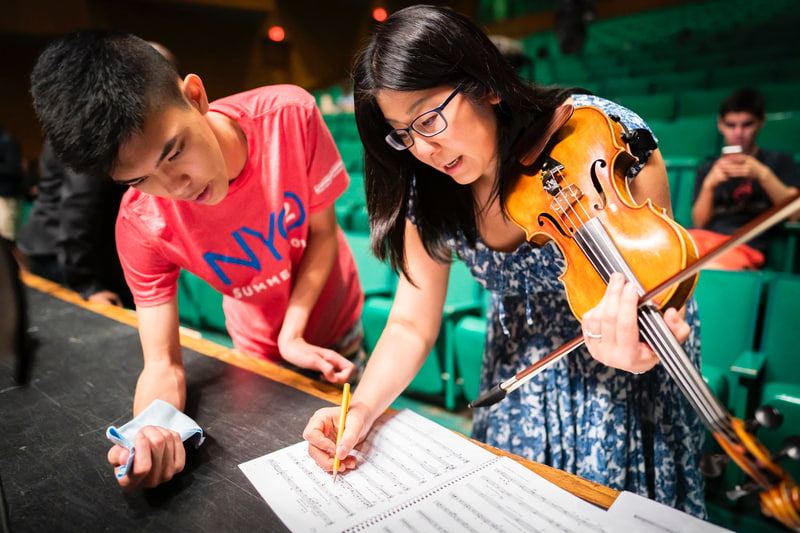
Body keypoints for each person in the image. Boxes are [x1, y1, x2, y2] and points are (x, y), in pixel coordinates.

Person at [303, 5, 706, 518]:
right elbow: (409, 322)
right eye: (403, 133)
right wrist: (359, 409)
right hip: (518, 377)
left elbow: (658, 294)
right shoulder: (430, 189)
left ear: (487, 83)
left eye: (430, 118)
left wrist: (643, 341)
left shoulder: (600, 137)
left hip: (621, 383)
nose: (423, 149)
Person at [30, 30, 364, 489]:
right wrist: (152, 430)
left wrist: (295, 331)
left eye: (175, 151)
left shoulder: (290, 115)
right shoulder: (142, 224)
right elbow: (163, 362)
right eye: (142, 177)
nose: (176, 186)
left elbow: (323, 236)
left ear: (196, 95)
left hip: (333, 325)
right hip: (255, 348)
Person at [690, 87, 800, 270]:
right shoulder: (708, 168)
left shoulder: (779, 161)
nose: (739, 133)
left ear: (760, 122)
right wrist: (709, 186)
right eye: (731, 125)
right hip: (704, 240)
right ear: (720, 124)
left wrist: (763, 175)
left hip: (745, 247)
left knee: (710, 269)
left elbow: (794, 214)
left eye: (747, 124)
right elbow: (699, 222)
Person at [17, 139, 134, 307]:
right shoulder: (88, 132)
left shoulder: (66, 123)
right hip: (71, 254)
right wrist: (86, 284)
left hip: (52, 244)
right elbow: (80, 203)